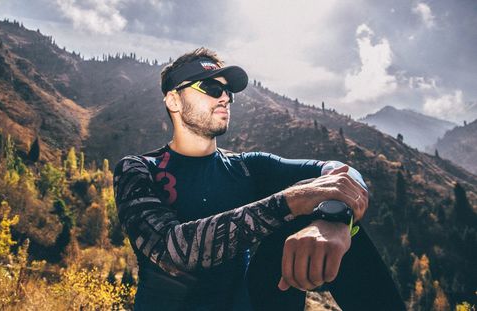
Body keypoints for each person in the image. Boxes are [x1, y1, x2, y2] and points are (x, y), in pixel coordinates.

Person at [113, 47, 405, 310]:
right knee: (299, 211)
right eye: (212, 88)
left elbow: (342, 173)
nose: (225, 97)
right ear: (174, 100)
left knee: (318, 224)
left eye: (229, 93)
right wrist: (291, 201)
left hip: (251, 303)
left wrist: (335, 219)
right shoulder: (138, 169)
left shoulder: (247, 167)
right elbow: (172, 251)